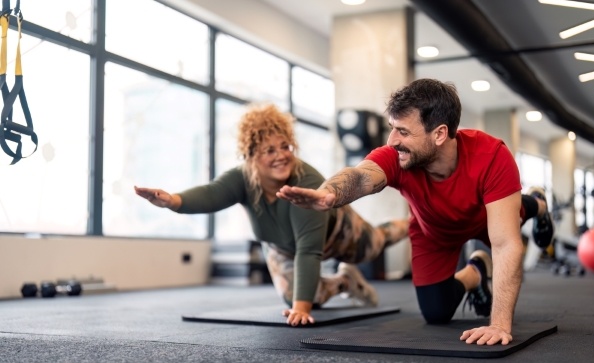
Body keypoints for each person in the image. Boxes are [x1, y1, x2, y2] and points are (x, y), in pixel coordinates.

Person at [277, 78, 555, 345]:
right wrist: (329, 194)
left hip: (485, 218)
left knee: (515, 210)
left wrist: (499, 324)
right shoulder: (397, 156)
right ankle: (476, 271)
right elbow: (362, 177)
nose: (392, 140)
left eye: (403, 132)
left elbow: (506, 244)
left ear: (440, 134)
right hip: (433, 232)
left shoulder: (491, 156)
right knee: (436, 312)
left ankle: (538, 203)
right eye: (392, 128)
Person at [135, 103, 409, 327]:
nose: (281, 156)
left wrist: (303, 310)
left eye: (285, 147)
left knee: (375, 243)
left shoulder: (307, 180)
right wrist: (172, 200)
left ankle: (412, 223)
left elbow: (309, 251)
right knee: (293, 298)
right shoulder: (242, 179)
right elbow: (211, 194)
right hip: (280, 247)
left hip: (336, 234)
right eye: (269, 150)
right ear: (251, 155)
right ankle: (345, 282)